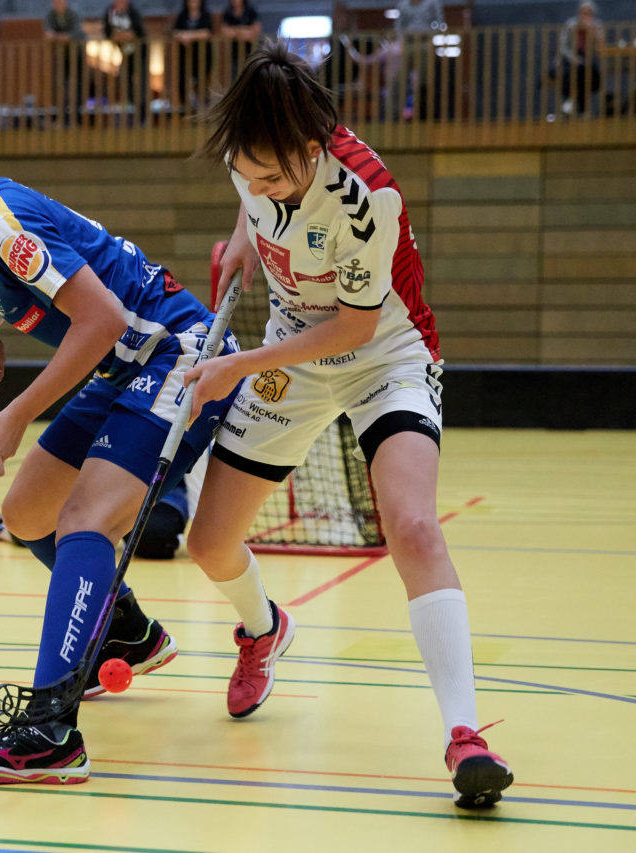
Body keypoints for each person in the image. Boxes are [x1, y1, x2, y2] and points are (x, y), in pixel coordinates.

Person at [0, 116, 240, 783]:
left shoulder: (0, 225)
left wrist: (18, 415)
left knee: (86, 518)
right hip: (122, 367)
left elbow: (104, 319)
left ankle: (50, 728)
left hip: (177, 356)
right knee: (27, 515)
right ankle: (124, 630)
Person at [182, 41, 515, 809]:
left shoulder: (369, 197)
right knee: (207, 543)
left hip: (382, 353)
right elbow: (251, 194)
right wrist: (242, 234)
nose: (256, 182)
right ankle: (262, 628)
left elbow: (354, 329)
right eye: (247, 172)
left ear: (310, 148)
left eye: (272, 175)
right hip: (290, 354)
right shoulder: (249, 154)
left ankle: (465, 735)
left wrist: (236, 366)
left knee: (413, 525)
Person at [553, 1, 604, 118]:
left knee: (585, 72)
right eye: (583, 12)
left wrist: (591, 31)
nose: (585, 15)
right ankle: (582, 108)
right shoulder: (571, 24)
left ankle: (570, 101)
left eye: (588, 13)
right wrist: (573, 57)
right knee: (575, 70)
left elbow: (600, 46)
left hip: (589, 59)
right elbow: (562, 46)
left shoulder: (596, 25)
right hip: (570, 57)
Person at [101, 0, 148, 123]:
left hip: (140, 53)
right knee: (124, 81)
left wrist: (121, 35)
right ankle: (136, 109)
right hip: (126, 54)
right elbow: (108, 33)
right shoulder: (110, 12)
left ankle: (143, 115)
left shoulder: (133, 12)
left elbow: (137, 34)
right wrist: (123, 35)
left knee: (142, 84)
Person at [44, 0, 86, 125]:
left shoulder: (73, 15)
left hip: (77, 56)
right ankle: (63, 117)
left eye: (61, 2)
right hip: (61, 57)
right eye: (56, 2)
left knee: (77, 87)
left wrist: (57, 37)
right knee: (60, 86)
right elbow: (47, 35)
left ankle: (77, 118)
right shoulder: (50, 16)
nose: (58, 4)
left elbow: (74, 35)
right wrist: (62, 37)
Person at [170, 0, 213, 109]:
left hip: (203, 57)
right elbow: (174, 32)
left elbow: (207, 33)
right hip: (185, 58)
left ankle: (203, 107)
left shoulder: (205, 15)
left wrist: (189, 35)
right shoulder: (182, 16)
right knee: (183, 82)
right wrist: (181, 36)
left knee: (202, 82)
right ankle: (187, 108)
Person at [220, 0, 261, 82]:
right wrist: (243, 31)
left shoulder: (251, 11)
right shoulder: (228, 11)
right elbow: (224, 31)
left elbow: (255, 31)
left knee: (250, 79)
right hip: (233, 54)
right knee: (234, 80)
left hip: (250, 53)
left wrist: (235, 32)